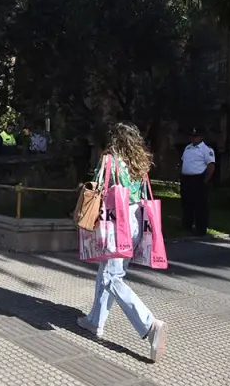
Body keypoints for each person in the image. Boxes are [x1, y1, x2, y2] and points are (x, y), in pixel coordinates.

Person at [76, 122, 167, 362]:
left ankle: (149, 325)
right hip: (136, 219)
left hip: (116, 220)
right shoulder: (140, 164)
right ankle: (95, 321)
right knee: (108, 271)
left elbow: (98, 188)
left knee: (111, 277)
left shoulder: (110, 161)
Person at [180, 127, 215, 236]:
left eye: (196, 136)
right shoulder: (188, 147)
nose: (193, 138)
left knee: (200, 205)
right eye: (192, 136)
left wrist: (205, 180)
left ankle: (201, 228)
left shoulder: (206, 150)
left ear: (201, 137)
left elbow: (211, 166)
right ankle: (187, 225)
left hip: (198, 179)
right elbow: (183, 161)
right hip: (186, 179)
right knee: (187, 203)